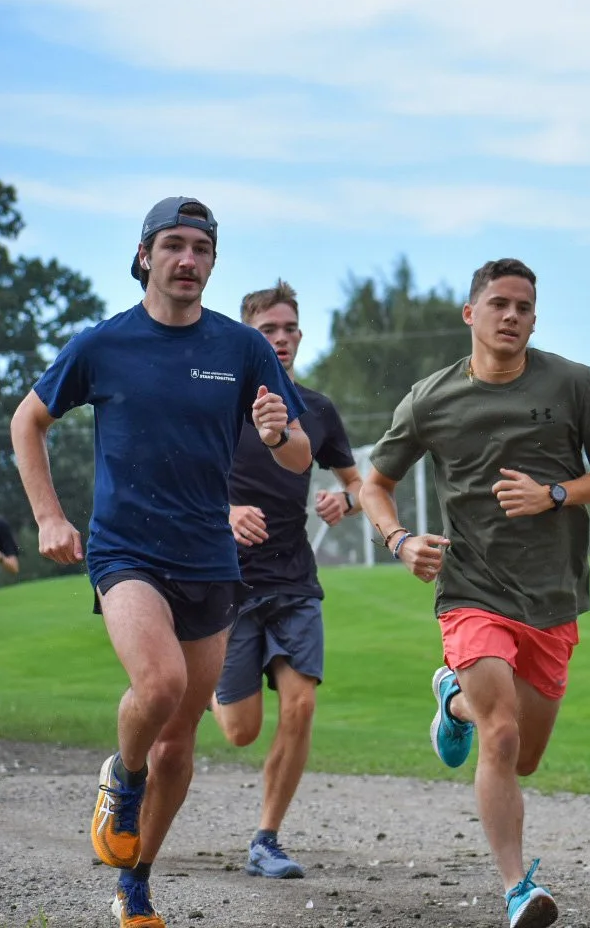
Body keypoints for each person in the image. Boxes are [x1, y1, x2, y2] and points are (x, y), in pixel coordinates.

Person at [10, 198, 309, 928]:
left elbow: (300, 453)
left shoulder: (242, 349)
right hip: (126, 550)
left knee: (181, 740)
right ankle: (122, 775)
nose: (188, 260)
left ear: (211, 262)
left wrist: (275, 436)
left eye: (201, 249)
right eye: (173, 245)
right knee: (162, 684)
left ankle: (135, 881)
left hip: (208, 557)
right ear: (145, 256)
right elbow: (28, 420)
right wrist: (49, 515)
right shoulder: (103, 345)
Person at [359, 257, 590, 928]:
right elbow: (374, 483)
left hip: (552, 595)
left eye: (524, 307)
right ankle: (518, 888)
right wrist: (398, 540)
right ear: (470, 314)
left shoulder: (573, 384)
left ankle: (452, 703)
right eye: (499, 304)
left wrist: (556, 494)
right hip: (471, 589)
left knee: (527, 756)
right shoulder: (431, 398)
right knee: (503, 736)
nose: (512, 316)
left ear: (534, 318)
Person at [211, 281, 363, 880]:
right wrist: (224, 514)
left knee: (300, 704)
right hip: (225, 583)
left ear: (300, 334)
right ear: (249, 336)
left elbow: (362, 484)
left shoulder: (317, 410)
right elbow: (180, 481)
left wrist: (344, 504)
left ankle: (266, 839)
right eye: (267, 331)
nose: (280, 339)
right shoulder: (217, 405)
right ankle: (196, 682)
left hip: (294, 577)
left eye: (289, 329)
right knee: (241, 731)